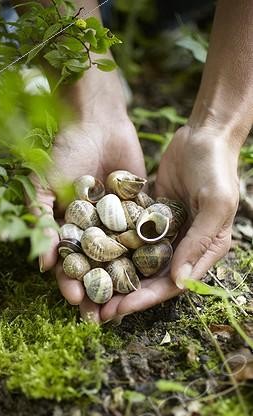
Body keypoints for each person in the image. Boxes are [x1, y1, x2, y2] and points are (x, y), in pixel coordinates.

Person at [28, 0, 252, 323]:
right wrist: (87, 107)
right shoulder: (113, 224)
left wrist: (219, 130)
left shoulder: (123, 227)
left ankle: (172, 15)